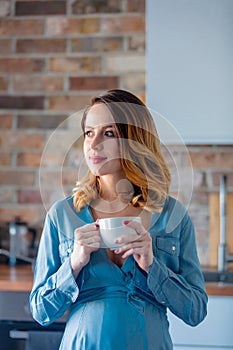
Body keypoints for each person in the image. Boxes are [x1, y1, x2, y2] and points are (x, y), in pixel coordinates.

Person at [30, 89, 208, 350]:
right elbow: (41, 311)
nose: (93, 143)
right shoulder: (62, 215)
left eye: (109, 133)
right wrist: (74, 263)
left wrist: (152, 265)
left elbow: (196, 311)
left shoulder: (173, 216)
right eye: (89, 133)